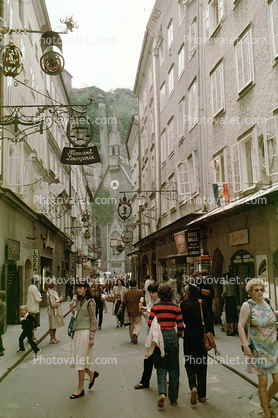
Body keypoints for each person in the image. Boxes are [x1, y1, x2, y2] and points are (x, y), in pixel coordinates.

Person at [238, 278, 278, 418]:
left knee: (277, 380)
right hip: (258, 349)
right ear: (250, 292)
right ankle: (267, 412)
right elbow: (240, 327)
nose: (260, 292)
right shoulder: (247, 305)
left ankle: (265, 400)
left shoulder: (268, 302)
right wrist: (245, 345)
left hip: (274, 347)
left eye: (261, 289)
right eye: (256, 290)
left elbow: (273, 315)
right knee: (263, 381)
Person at [148, 283, 184, 408]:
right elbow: (180, 326)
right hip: (172, 336)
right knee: (174, 369)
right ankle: (173, 399)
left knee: (161, 367)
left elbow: (149, 322)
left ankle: (162, 393)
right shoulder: (176, 307)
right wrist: (178, 336)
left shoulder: (155, 306)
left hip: (159, 338)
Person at [180, 283, 213, 404]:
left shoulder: (184, 305)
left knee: (189, 362)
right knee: (201, 364)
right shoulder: (202, 304)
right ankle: (202, 395)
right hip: (201, 336)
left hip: (189, 335)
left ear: (187, 294)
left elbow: (181, 320)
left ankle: (193, 386)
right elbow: (209, 321)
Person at [69, 279, 99, 399]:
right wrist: (72, 310)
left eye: (80, 287)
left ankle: (80, 388)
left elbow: (93, 320)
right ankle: (91, 374)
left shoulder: (90, 302)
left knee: (80, 360)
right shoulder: (80, 301)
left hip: (85, 333)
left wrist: (91, 337)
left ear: (86, 288)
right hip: (78, 332)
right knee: (78, 358)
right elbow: (78, 316)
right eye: (77, 288)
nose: (78, 290)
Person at [134, 282, 159, 389]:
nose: (151, 294)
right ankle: (145, 381)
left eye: (154, 292)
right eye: (150, 292)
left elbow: (153, 319)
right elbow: (147, 319)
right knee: (148, 358)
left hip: (159, 335)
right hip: (150, 334)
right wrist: (142, 310)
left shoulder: (160, 304)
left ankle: (171, 378)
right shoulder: (149, 303)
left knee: (157, 358)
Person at [120, 278, 144, 344]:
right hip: (138, 310)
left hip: (129, 310)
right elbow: (143, 301)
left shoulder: (126, 292)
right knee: (138, 323)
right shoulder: (140, 292)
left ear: (129, 284)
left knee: (131, 324)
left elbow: (123, 301)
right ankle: (135, 334)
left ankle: (132, 337)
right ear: (136, 284)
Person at [47, 278, 65, 343]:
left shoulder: (54, 292)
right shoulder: (50, 293)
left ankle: (54, 338)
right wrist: (59, 300)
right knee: (52, 325)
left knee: (55, 325)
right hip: (52, 311)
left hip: (55, 311)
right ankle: (52, 338)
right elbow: (53, 304)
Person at [26, 276, 42, 342]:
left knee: (30, 324)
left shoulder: (29, 287)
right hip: (34, 308)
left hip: (29, 307)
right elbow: (36, 299)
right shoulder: (35, 288)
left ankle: (31, 337)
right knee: (33, 324)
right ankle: (31, 337)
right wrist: (40, 299)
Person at [0, 292, 7, 356]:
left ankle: (1, 350)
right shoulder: (1, 303)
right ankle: (1, 348)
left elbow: (4, 314)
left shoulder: (3, 304)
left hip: (1, 323)